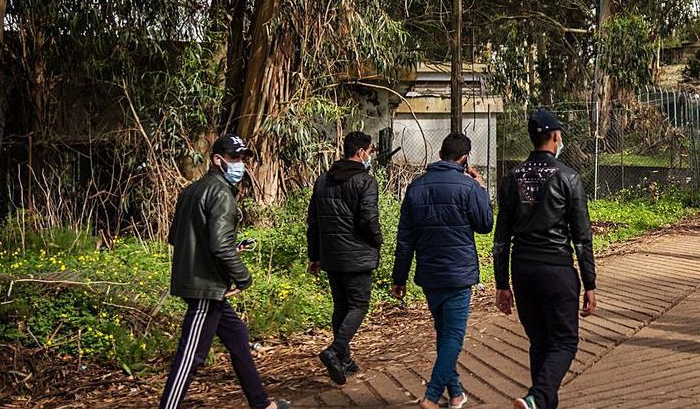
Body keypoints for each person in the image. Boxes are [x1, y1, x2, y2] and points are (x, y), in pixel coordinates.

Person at [159, 134, 289, 409]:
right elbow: (219, 245)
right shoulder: (221, 193)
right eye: (234, 158)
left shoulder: (192, 190)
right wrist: (243, 276)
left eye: (242, 158)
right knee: (191, 357)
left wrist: (231, 248)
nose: (240, 164)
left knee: (238, 336)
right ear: (218, 160)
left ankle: (261, 403)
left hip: (200, 280)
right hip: (206, 285)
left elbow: (178, 237)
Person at [493, 109, 597, 409]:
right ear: (555, 136)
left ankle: (538, 404)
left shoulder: (511, 178)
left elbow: (501, 238)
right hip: (557, 270)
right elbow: (581, 237)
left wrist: (502, 283)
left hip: (522, 270)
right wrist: (589, 282)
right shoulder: (569, 178)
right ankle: (537, 398)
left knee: (539, 342)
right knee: (564, 342)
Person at [391, 133, 493, 409]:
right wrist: (481, 188)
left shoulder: (416, 187)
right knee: (453, 337)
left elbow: (405, 239)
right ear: (465, 158)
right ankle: (432, 396)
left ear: (441, 153)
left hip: (429, 273)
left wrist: (398, 277)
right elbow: (485, 224)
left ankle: (456, 393)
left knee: (443, 333)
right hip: (459, 274)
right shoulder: (469, 187)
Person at [306, 131, 381, 385]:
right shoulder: (365, 181)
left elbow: (313, 222)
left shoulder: (322, 180)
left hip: (331, 256)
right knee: (358, 306)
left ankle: (345, 360)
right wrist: (377, 240)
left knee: (341, 306)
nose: (370, 157)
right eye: (370, 152)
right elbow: (368, 218)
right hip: (358, 256)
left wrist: (314, 255)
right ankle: (335, 351)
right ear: (360, 152)